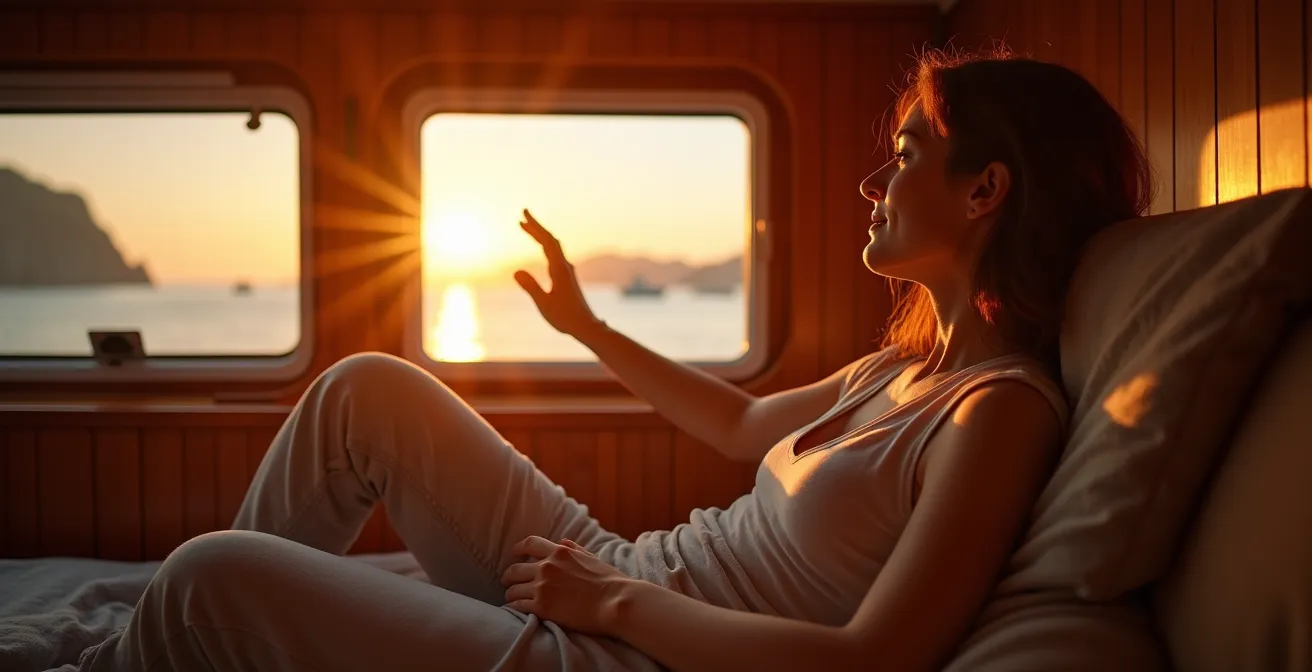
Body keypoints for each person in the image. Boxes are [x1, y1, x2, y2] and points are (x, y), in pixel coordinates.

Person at [70, 47, 1152, 672]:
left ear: (987, 190)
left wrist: (613, 610)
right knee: (367, 392)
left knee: (214, 575)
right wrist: (586, 326)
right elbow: (734, 426)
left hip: (631, 654)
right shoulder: (897, 370)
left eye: (907, 155)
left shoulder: (998, 412)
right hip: (623, 576)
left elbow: (875, 662)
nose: (875, 183)